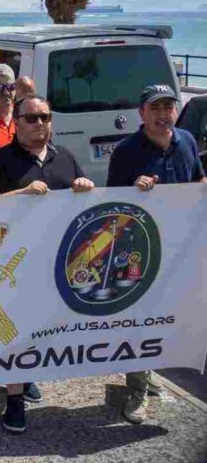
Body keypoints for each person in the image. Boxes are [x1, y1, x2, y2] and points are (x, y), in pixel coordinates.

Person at [0, 95, 94, 433]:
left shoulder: (66, 158)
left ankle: (24, 377)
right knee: (16, 328)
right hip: (10, 263)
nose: (39, 124)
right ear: (17, 123)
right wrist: (20, 195)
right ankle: (14, 400)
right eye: (31, 118)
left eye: (45, 117)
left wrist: (84, 187)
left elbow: (83, 201)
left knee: (41, 326)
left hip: (56, 260)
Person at [107, 84, 205, 425]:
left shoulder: (188, 142)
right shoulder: (126, 151)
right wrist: (135, 191)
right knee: (140, 319)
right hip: (141, 251)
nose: (163, 114)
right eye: (156, 108)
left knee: (175, 313)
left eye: (169, 107)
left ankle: (154, 373)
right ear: (142, 113)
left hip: (181, 248)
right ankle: (136, 387)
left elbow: (197, 182)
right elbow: (113, 206)